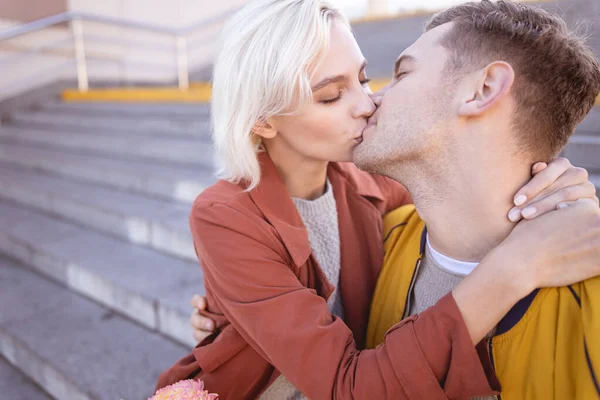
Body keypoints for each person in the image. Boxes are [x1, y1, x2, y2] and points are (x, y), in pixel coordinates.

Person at [157, 1, 600, 399]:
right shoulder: (227, 214)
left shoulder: (382, 193)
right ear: (263, 121)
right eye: (331, 95)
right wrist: (517, 264)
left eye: (366, 79)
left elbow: (471, 183)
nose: (368, 104)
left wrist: (558, 187)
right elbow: (347, 385)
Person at [356, 1, 600, 399]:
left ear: (482, 90)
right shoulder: (376, 239)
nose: (370, 102)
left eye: (402, 73)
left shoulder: (591, 301)